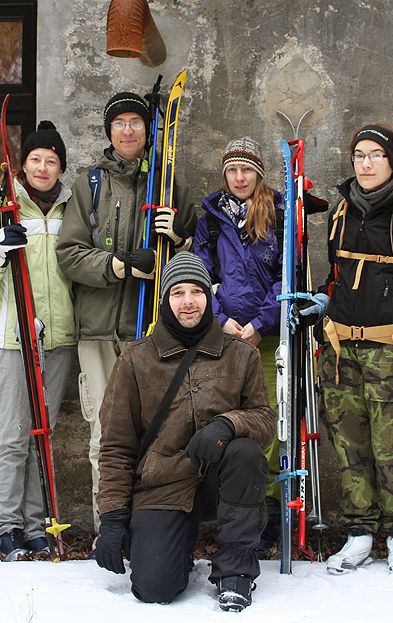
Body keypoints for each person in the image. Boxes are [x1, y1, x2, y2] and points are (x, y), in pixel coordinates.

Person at [93, 252, 276, 612]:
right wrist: (112, 519)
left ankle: (235, 571)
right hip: (162, 486)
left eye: (197, 291)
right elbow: (116, 446)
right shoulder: (136, 359)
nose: (188, 302)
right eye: (178, 293)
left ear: (210, 297)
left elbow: (265, 419)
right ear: (165, 301)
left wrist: (228, 424)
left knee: (247, 452)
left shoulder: (241, 355)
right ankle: (172, 549)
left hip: (218, 480)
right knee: (154, 588)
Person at [298, 123, 393, 574]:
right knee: (349, 446)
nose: (365, 162)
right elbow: (339, 276)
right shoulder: (341, 213)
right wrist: (322, 300)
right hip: (340, 352)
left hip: (388, 352)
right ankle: (359, 534)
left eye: (375, 154)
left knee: (391, 447)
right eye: (358, 154)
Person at [57, 91, 197, 524]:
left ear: (149, 130)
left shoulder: (169, 182)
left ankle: (151, 525)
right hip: (99, 332)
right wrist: (117, 265)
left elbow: (194, 267)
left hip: (152, 333)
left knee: (156, 435)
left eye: (136, 122)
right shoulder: (89, 184)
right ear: (109, 132)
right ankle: (110, 527)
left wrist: (178, 240)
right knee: (106, 436)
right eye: (120, 124)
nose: (128, 131)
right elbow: (69, 254)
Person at [0, 121, 75, 561]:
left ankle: (36, 525)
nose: (43, 167)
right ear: (22, 165)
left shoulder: (71, 207)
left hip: (59, 338)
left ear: (60, 167)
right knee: (13, 436)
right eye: (35, 160)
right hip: (12, 338)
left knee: (41, 436)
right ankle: (7, 526)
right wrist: (0, 253)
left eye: (52, 160)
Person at [193, 136, 283, 556]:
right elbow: (197, 274)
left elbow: (290, 275)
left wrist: (262, 323)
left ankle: (267, 516)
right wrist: (218, 318)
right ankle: (232, 511)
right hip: (224, 339)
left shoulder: (280, 213)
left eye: (247, 169)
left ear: (259, 173)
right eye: (232, 170)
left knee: (266, 427)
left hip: (264, 339)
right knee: (226, 422)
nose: (240, 177)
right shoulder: (211, 218)